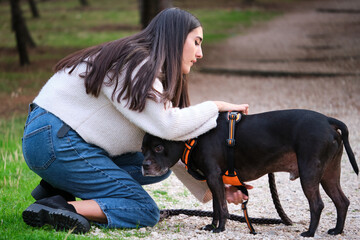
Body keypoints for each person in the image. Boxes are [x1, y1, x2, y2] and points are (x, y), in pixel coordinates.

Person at [21, 7, 250, 233]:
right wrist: (217, 107)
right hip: (54, 141)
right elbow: (169, 125)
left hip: (53, 139)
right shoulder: (137, 63)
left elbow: (172, 145)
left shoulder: (139, 61)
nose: (200, 53)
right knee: (144, 210)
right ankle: (57, 207)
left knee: (161, 164)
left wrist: (215, 186)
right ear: (177, 38)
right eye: (197, 42)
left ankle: (58, 186)